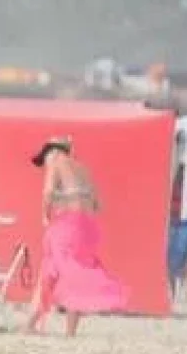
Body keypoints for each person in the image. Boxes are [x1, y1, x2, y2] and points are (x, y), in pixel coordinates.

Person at [26, 137, 128, 335]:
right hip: (87, 228)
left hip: (66, 225)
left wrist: (45, 215)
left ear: (52, 151)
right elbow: (98, 205)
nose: (45, 163)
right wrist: (74, 197)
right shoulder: (83, 169)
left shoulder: (56, 161)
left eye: (44, 158)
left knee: (49, 273)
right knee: (77, 277)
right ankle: (70, 332)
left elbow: (48, 192)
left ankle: (30, 324)